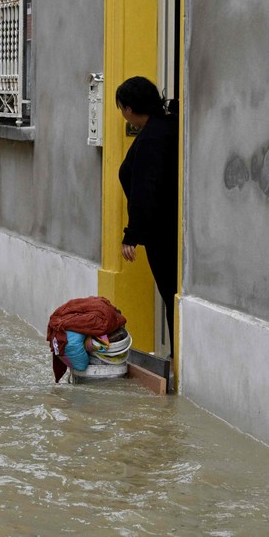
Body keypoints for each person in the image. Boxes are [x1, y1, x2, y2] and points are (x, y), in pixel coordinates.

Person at [115, 75, 179, 340]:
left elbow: (146, 187)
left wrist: (133, 234)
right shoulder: (168, 125)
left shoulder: (152, 138)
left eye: (121, 108)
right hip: (169, 227)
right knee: (173, 296)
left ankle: (177, 362)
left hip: (162, 233)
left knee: (170, 295)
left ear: (129, 109)